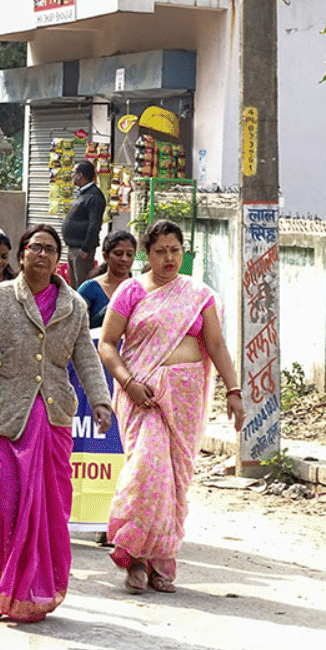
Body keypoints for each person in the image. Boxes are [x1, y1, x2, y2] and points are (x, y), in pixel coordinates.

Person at [0, 224, 113, 622]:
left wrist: (101, 401)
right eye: (35, 248)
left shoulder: (74, 306)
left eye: (50, 249)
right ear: (23, 253)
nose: (42, 255)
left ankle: (34, 593)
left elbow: (86, 356)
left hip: (53, 421)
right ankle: (1, 587)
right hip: (4, 418)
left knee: (47, 511)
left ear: (58, 259)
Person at [97, 219, 245, 594]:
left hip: (185, 398)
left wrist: (234, 390)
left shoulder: (199, 295)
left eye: (175, 251)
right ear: (148, 254)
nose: (168, 258)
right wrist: (129, 384)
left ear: (184, 252)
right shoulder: (131, 291)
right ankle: (134, 556)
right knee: (148, 472)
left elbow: (216, 344)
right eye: (160, 251)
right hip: (142, 395)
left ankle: (160, 558)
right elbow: (108, 344)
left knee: (174, 483)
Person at [77, 229, 137, 328]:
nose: (124, 259)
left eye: (129, 255)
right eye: (118, 253)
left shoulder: (139, 290)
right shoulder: (89, 289)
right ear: (105, 256)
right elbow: (77, 328)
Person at [60, 160, 106, 288]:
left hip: (81, 250)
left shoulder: (94, 196)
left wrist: (85, 248)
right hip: (74, 247)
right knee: (74, 286)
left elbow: (94, 224)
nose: (72, 176)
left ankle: (84, 308)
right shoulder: (83, 193)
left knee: (82, 286)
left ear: (81, 175)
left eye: (74, 172)